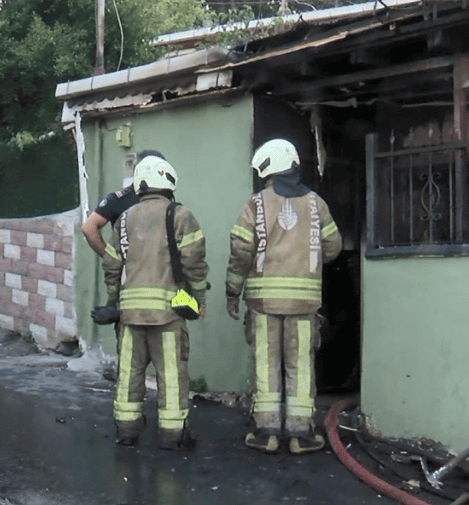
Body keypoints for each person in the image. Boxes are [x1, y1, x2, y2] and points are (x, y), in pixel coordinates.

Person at [225, 138, 342, 455]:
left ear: (268, 168)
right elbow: (333, 247)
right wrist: (308, 260)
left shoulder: (255, 204)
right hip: (304, 304)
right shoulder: (317, 203)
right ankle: (300, 435)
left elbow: (240, 253)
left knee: (266, 364)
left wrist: (232, 293)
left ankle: (267, 434)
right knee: (300, 366)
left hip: (263, 305)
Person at [105, 154, 209, 450]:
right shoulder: (180, 214)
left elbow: (112, 264)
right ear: (169, 182)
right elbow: (194, 263)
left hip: (129, 314)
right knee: (172, 376)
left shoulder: (124, 218)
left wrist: (114, 301)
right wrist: (199, 298)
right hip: (167, 314)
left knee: (128, 374)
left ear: (141, 183)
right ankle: (172, 436)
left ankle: (126, 431)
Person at [83, 151, 167, 325]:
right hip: (159, 280)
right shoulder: (165, 203)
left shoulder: (121, 198)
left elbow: (89, 227)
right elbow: (89, 228)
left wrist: (112, 258)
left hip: (131, 282)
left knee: (131, 335)